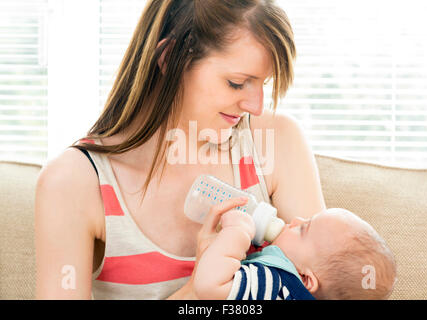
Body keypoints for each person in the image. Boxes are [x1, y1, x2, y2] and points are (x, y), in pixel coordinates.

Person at [35, 0, 326, 299]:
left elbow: (329, 284)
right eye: (237, 83)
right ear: (169, 57)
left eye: (264, 83)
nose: (256, 106)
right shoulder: (73, 184)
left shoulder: (277, 143)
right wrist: (198, 290)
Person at [193, 206, 397, 300]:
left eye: (303, 229)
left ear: (305, 278)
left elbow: (209, 286)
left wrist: (236, 231)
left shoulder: (276, 284)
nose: (296, 219)